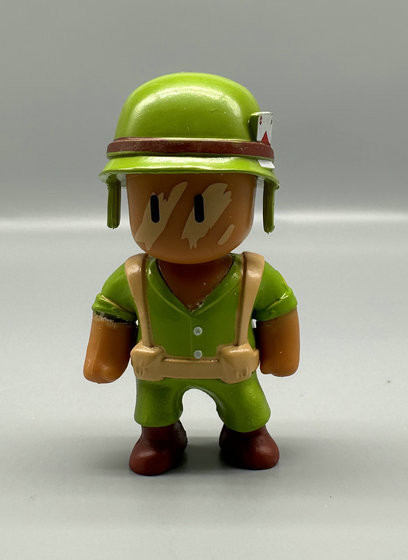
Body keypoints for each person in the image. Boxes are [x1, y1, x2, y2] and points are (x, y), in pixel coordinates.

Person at [84, 73, 300, 476]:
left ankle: (245, 434)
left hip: (233, 374)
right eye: (155, 207)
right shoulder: (134, 277)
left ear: (254, 198)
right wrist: (104, 357)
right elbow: (112, 310)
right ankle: (160, 437)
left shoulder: (254, 276)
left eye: (205, 207)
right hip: (158, 374)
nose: (182, 226)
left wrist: (281, 355)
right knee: (155, 412)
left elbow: (278, 308)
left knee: (247, 410)